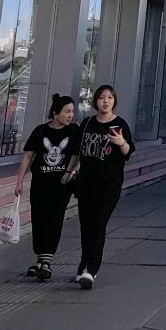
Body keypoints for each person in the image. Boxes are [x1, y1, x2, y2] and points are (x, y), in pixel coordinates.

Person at [67, 84, 134, 290]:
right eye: (102, 97)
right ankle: (84, 263)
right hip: (86, 183)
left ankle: (91, 269)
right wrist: (69, 172)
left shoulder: (120, 124)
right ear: (96, 100)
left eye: (110, 98)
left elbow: (128, 152)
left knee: (98, 224)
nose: (106, 101)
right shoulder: (87, 123)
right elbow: (77, 151)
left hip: (109, 184)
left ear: (114, 102)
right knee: (86, 226)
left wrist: (121, 141)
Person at [15, 93, 80, 281]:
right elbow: (28, 155)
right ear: (55, 113)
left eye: (72, 112)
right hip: (40, 183)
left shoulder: (74, 131)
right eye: (67, 112)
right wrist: (19, 181)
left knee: (55, 219)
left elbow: (77, 154)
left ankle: (46, 261)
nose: (70, 115)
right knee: (39, 219)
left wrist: (69, 172)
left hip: (61, 185)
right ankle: (40, 259)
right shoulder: (41, 131)